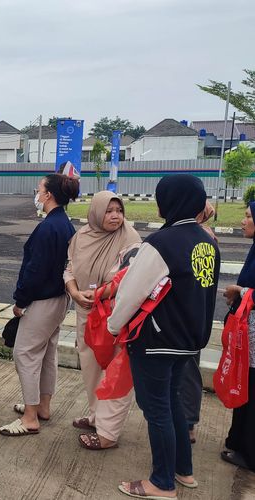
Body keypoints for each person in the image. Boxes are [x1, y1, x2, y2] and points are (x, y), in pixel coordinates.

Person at [108, 174, 219, 498]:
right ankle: (183, 470)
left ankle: (161, 482)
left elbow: (131, 293)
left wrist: (114, 326)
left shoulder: (161, 243)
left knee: (156, 409)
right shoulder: (207, 241)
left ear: (169, 202)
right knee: (171, 403)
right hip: (189, 340)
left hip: (157, 342)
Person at [0, 173, 78, 437]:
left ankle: (30, 417)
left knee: (25, 354)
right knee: (46, 354)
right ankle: (42, 406)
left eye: (39, 189)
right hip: (59, 299)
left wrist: (20, 301)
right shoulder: (65, 224)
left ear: (48, 195)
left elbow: (35, 270)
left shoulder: (47, 228)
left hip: (42, 301)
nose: (37, 193)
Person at [64, 191, 141, 450]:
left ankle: (109, 430)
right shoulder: (81, 237)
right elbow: (69, 269)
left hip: (115, 316)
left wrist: (98, 294)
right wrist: (75, 292)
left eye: (119, 210)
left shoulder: (130, 238)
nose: (115, 216)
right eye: (109, 211)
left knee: (114, 372)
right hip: (86, 312)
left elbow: (129, 278)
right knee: (90, 367)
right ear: (97, 212)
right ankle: (97, 415)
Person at [221, 201, 255, 471]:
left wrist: (240, 291)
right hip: (248, 334)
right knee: (246, 385)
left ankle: (249, 452)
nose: (243, 221)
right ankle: (239, 441)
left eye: (248, 216)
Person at [179, 201, 217, 445]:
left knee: (187, 371)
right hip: (192, 317)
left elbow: (199, 282)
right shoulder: (200, 235)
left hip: (187, 319)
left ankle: (188, 423)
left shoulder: (202, 238)